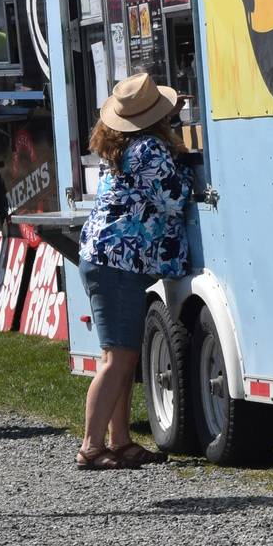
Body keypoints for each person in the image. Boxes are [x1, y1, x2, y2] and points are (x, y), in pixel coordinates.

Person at [75, 72, 190, 470]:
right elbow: (176, 198)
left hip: (104, 258)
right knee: (117, 359)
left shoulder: (122, 148)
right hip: (118, 264)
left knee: (119, 356)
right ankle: (91, 446)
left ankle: (119, 441)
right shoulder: (149, 151)